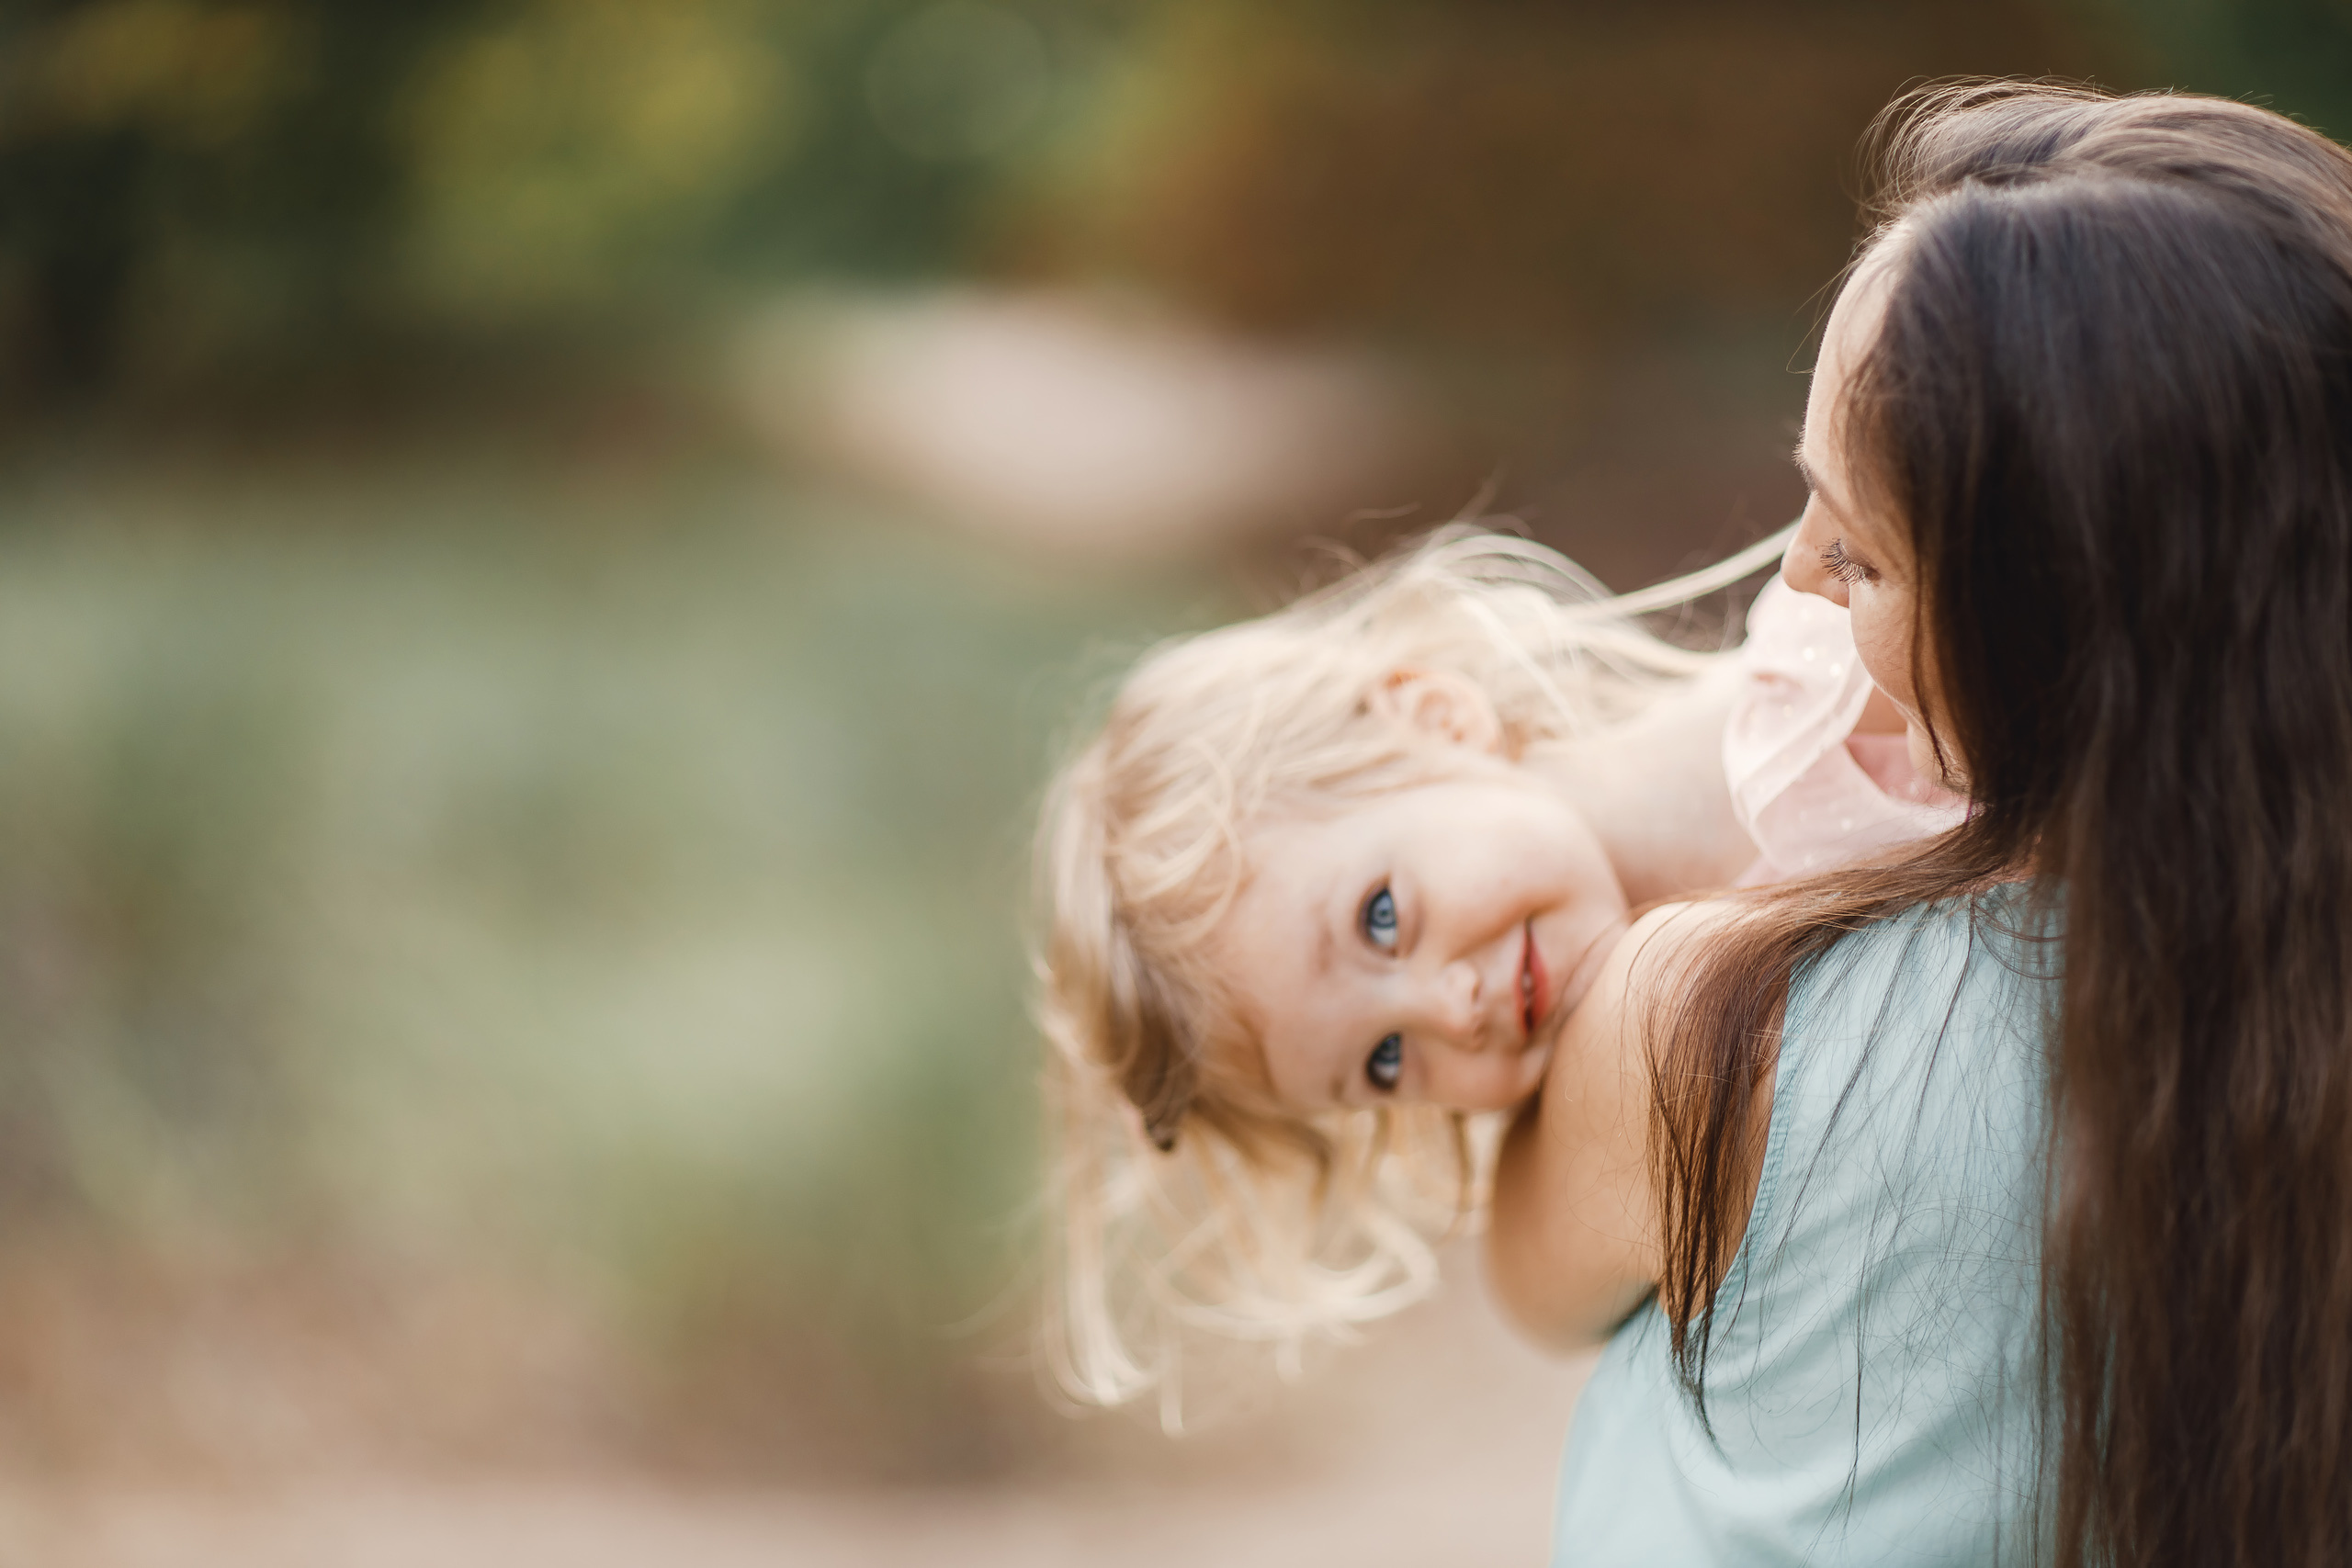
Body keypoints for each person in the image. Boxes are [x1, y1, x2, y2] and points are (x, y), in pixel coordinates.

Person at [1487, 82, 2352, 1567]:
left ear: (2070, 625)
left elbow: (1530, 1277)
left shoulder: (1722, 1022)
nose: (1797, 579)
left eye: (1861, 551)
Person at [1032, 519, 1959, 1416]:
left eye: (1381, 919)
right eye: (1385, 1059)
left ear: (1436, 720)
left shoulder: (1832, 686)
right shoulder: (1591, 1101)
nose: (1450, 1011)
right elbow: (1532, 1293)